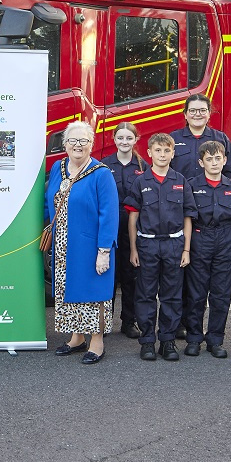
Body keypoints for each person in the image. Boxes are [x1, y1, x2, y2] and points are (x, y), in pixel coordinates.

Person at [46, 121, 118, 365]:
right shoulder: (58, 167)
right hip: (63, 244)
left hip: (91, 246)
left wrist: (104, 251)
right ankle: (77, 338)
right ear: (65, 144)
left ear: (92, 145)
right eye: (73, 141)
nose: (78, 145)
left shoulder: (101, 173)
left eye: (83, 141)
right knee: (69, 289)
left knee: (94, 292)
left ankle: (97, 342)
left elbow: (109, 214)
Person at [169, 94, 231, 339]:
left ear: (209, 113)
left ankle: (204, 332)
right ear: (185, 114)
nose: (197, 114)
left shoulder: (220, 139)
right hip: (177, 213)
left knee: (207, 282)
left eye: (202, 110)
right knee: (184, 276)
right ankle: (182, 324)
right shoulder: (175, 139)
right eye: (193, 110)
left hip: (212, 221)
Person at [126, 132, 197, 362]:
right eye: (158, 150)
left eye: (167, 150)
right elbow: (133, 218)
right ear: (149, 153)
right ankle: (147, 341)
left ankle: (167, 341)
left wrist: (186, 249)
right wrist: (134, 249)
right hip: (147, 244)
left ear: (173, 153)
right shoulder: (141, 181)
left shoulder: (180, 181)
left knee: (172, 295)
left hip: (174, 244)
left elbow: (188, 217)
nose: (162, 154)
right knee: (145, 294)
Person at [184, 140, 231, 358]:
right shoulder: (192, 185)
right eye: (209, 159)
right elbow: (187, 216)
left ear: (225, 160)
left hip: (225, 239)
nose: (214, 162)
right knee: (196, 293)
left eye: (218, 158)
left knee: (221, 293)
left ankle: (215, 339)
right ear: (201, 162)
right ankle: (193, 338)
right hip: (201, 237)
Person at [101, 122, 146, 339]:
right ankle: (105, 321)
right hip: (110, 226)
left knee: (131, 276)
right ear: (114, 139)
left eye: (129, 138)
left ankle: (129, 321)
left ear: (136, 140)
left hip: (134, 227)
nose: (124, 142)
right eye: (120, 138)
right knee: (109, 275)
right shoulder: (104, 164)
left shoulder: (143, 165)